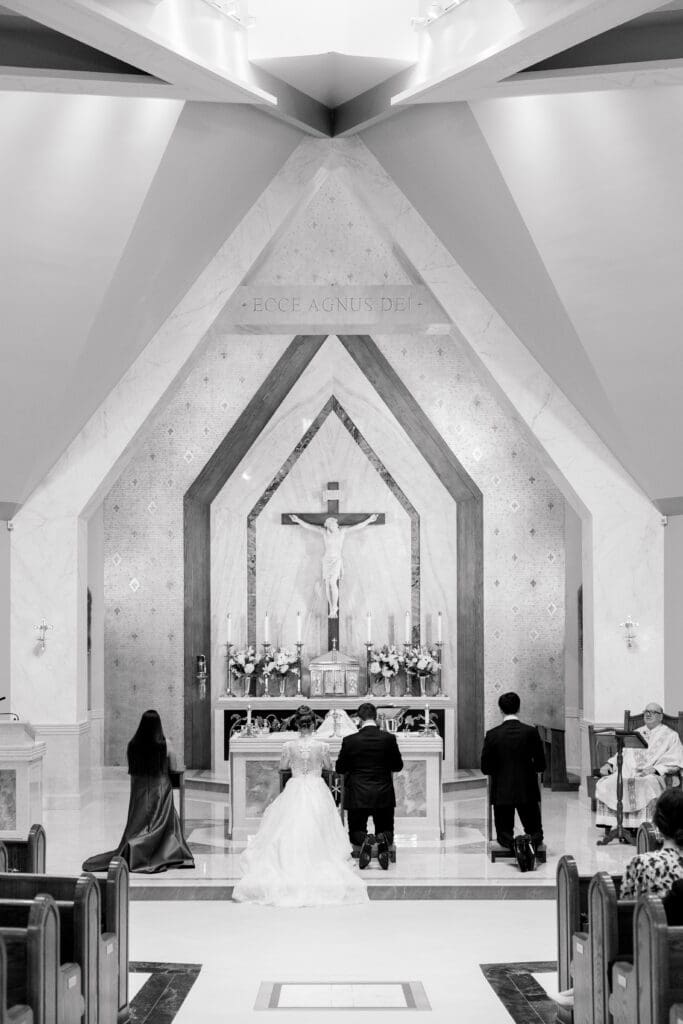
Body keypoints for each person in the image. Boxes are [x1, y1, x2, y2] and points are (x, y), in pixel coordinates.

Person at [232, 706, 368, 906]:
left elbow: (283, 767)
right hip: (316, 787)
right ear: (313, 724)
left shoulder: (289, 745)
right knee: (319, 826)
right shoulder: (322, 746)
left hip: (295, 786)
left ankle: (290, 859)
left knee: (289, 824)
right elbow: (329, 768)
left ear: (297, 723)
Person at [83, 709, 194, 874]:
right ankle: (163, 850)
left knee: (138, 824)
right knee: (162, 822)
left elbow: (133, 769)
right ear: (159, 726)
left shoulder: (132, 745)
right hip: (160, 791)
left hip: (139, 792)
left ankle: (135, 847)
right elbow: (173, 767)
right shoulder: (166, 744)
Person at [335, 702, 403, 870]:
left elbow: (340, 768)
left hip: (358, 794)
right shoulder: (389, 738)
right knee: (386, 828)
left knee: (356, 830)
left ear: (359, 718)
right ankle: (381, 840)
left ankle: (365, 840)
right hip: (383, 793)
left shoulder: (350, 740)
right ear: (376, 716)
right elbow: (397, 766)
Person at [480, 692, 546, 863]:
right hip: (528, 791)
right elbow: (541, 765)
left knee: (503, 835)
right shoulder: (531, 732)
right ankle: (528, 843)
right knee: (536, 832)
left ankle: (515, 844)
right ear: (519, 708)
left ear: (500, 709)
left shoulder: (492, 734)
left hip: (502, 792)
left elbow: (485, 768)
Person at [595, 703, 683, 829]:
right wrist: (609, 764)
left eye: (653, 712)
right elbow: (622, 752)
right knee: (607, 783)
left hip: (652, 775)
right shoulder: (636, 733)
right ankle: (618, 825)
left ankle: (644, 828)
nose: (648, 714)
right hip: (628, 772)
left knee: (646, 784)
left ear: (661, 717)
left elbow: (676, 759)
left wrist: (656, 769)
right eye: (646, 711)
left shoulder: (671, 735)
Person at [288, 513, 378, 618]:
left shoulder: (342, 531)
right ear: (328, 525)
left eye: (335, 523)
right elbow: (310, 527)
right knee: (327, 584)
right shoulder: (324, 532)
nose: (335, 525)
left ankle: (335, 606)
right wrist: (298, 520)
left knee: (332, 582)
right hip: (326, 560)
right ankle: (332, 608)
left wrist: (369, 520)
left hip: (336, 560)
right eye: (332, 524)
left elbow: (357, 527)